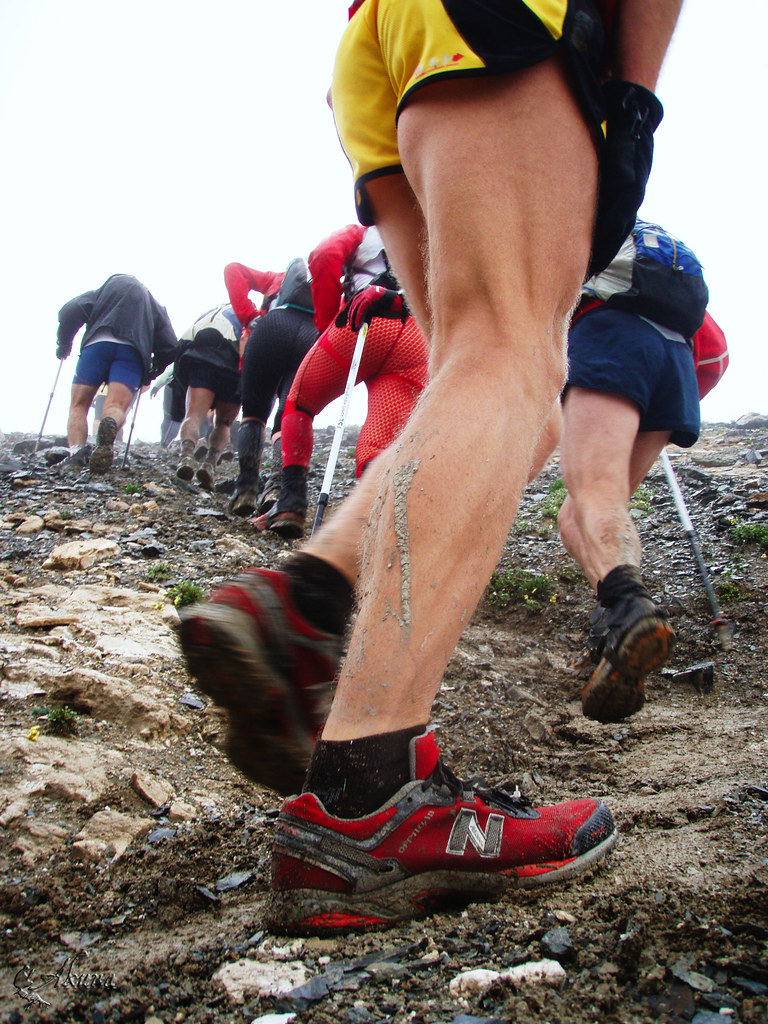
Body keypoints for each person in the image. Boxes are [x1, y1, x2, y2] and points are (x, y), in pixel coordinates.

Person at [180, 0, 682, 934]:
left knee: (485, 375)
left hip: (384, 48)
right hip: (506, 22)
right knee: (518, 361)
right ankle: (368, 795)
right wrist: (638, 100)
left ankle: (305, 604)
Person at [558, 220, 705, 724]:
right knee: (578, 513)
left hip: (613, 339)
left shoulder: (592, 230)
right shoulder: (660, 253)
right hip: (678, 361)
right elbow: (716, 342)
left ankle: (629, 608)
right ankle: (612, 633)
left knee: (593, 491)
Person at [256, 224, 429, 539]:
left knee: (299, 402)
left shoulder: (364, 231)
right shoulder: (428, 231)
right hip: (414, 333)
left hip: (365, 316)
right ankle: (378, 530)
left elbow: (323, 256)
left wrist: (325, 323)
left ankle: (290, 502)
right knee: (377, 444)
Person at [56, 274, 177, 473]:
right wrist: (152, 370)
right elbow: (171, 346)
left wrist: (64, 342)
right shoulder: (153, 305)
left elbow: (69, 311)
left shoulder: (102, 293)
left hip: (96, 346)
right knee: (116, 406)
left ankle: (76, 453)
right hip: (132, 352)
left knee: (79, 405)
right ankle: (108, 428)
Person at [228, 258, 319, 517]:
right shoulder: (326, 283)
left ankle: (245, 489)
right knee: (290, 413)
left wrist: (249, 316)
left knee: (254, 413)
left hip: (272, 326)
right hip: (311, 335)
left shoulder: (275, 278)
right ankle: (277, 489)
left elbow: (233, 270)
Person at [173, 304, 242, 490]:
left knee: (194, 414)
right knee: (223, 424)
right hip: (233, 366)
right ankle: (210, 464)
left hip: (200, 359)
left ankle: (186, 456)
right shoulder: (245, 315)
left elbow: (182, 345)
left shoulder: (208, 315)